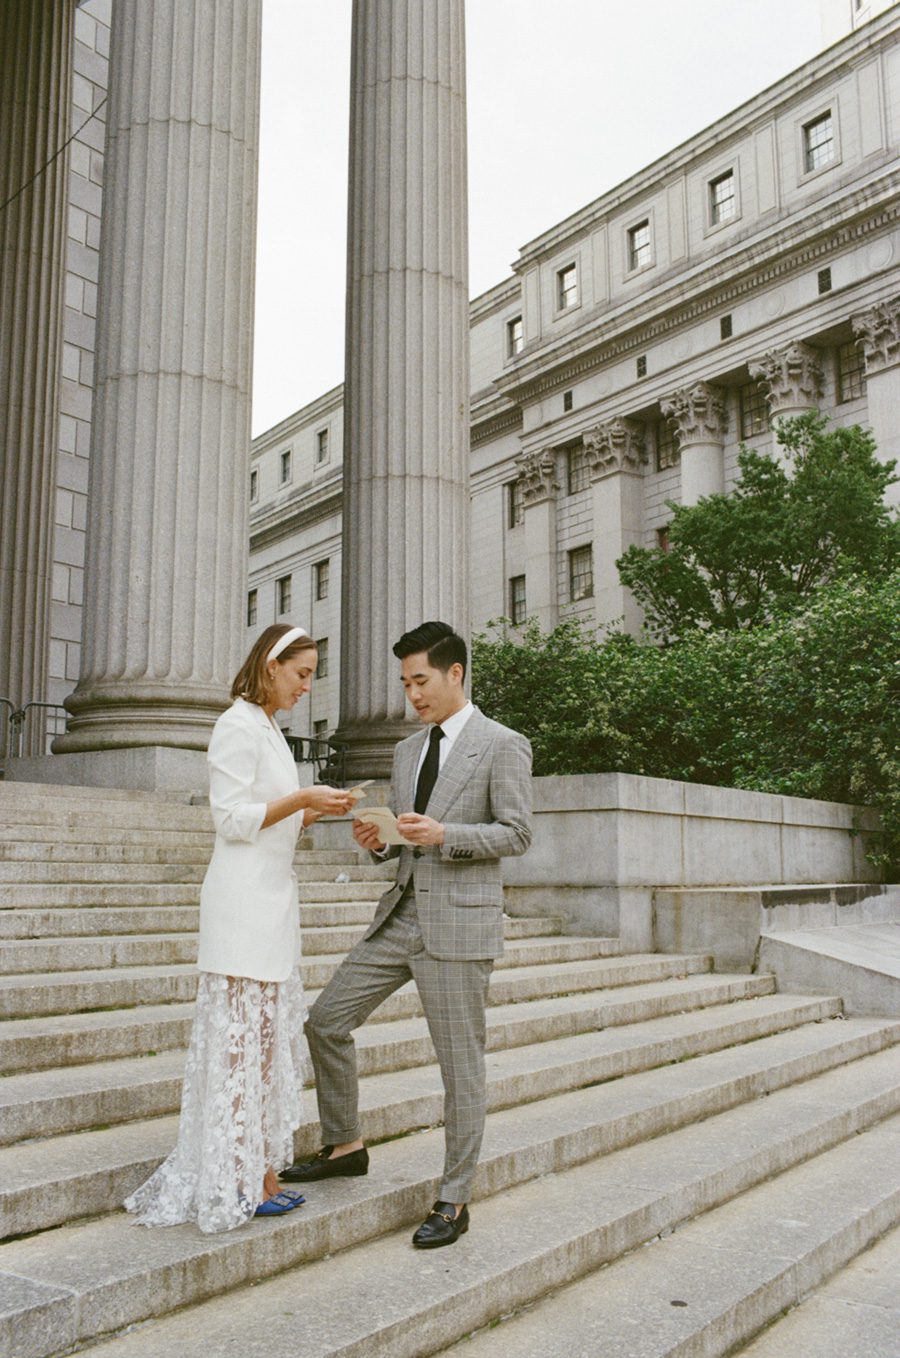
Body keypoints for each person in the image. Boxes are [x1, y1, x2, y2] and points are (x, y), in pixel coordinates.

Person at [282, 621, 533, 1249]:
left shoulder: (503, 744)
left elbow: (518, 834)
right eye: (404, 683)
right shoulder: (405, 750)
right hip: (399, 916)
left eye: (420, 680)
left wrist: (448, 835)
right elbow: (400, 838)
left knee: (460, 1068)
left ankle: (454, 1198)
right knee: (326, 1020)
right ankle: (345, 1145)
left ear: (455, 674)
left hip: (458, 927)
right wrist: (376, 840)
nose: (411, 695)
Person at [125, 624, 354, 1233]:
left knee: (262, 1046)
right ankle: (237, 1178)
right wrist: (305, 800)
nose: (309, 685)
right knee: (238, 1047)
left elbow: (272, 819)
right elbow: (230, 819)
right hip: (241, 901)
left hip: (272, 898)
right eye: (302, 673)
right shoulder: (235, 723)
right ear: (272, 666)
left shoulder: (273, 731)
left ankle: (259, 1173)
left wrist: (310, 812)